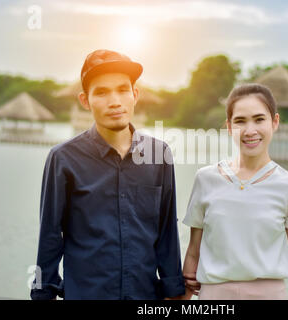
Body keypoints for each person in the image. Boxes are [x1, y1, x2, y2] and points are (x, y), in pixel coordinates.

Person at [30, 49, 185, 300]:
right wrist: (42, 293)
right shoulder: (63, 159)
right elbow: (49, 235)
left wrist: (173, 289)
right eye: (101, 92)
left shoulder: (160, 154)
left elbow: (167, 229)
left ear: (135, 95)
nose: (115, 101)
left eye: (123, 90)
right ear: (85, 100)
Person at [181, 83, 288, 300]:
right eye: (240, 121)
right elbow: (194, 251)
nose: (250, 130)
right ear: (229, 126)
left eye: (259, 119)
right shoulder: (206, 179)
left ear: (275, 122)